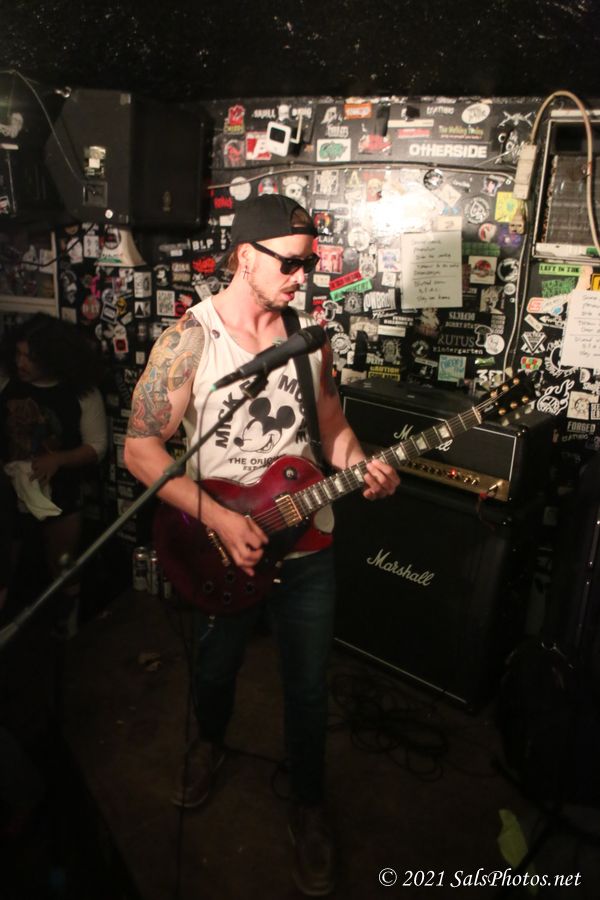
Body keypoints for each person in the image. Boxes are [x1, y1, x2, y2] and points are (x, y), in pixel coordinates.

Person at [123, 194, 399, 897]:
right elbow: (140, 449)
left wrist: (361, 462)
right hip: (221, 541)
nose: (304, 277)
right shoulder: (191, 340)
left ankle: (308, 803)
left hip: (307, 543)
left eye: (310, 263)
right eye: (292, 263)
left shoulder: (310, 337)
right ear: (245, 257)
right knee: (216, 669)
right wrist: (218, 520)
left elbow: (331, 426)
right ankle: (209, 743)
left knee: (307, 685)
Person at [0, 313, 107, 634]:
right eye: (18, 354)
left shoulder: (81, 393)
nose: (21, 363)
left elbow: (97, 446)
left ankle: (68, 631)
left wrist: (58, 460)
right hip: (8, 494)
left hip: (61, 492)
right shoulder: (7, 383)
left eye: (30, 357)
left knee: (62, 564)